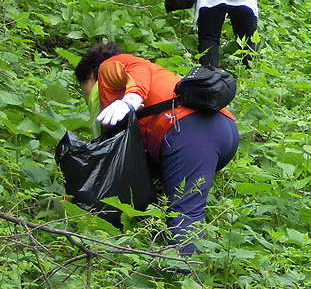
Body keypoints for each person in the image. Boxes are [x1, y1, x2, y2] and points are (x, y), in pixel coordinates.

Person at [74, 42, 238, 255]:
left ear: (91, 76)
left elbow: (136, 67)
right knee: (167, 195)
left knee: (184, 217)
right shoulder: (156, 81)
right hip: (219, 129)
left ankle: (182, 278)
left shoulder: (108, 68)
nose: (85, 95)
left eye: (83, 86)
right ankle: (159, 250)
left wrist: (132, 98)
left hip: (190, 131)